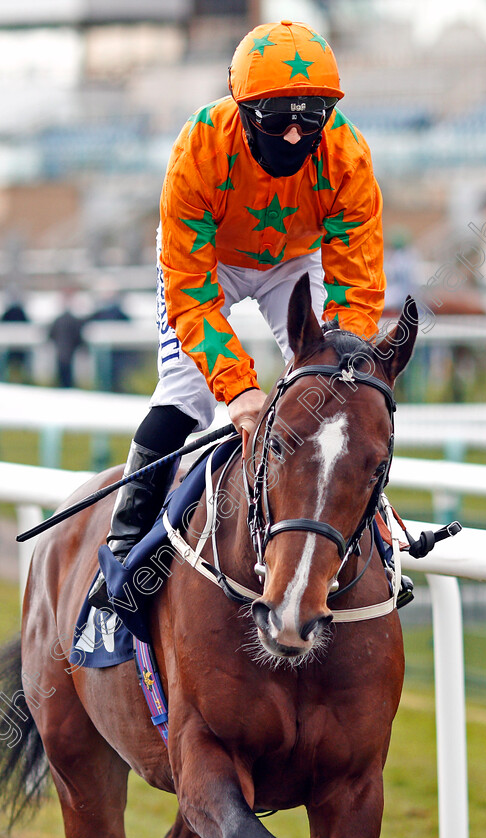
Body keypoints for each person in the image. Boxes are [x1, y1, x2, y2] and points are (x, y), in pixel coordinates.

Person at [88, 20, 386, 609]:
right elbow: (191, 293)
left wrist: (342, 370)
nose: (297, 132)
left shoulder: (347, 155)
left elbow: (358, 287)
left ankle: (372, 539)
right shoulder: (199, 147)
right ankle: (123, 555)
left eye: (313, 114)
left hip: (293, 263)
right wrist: (239, 390)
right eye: (277, 117)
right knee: (187, 395)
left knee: (343, 389)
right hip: (208, 262)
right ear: (244, 110)